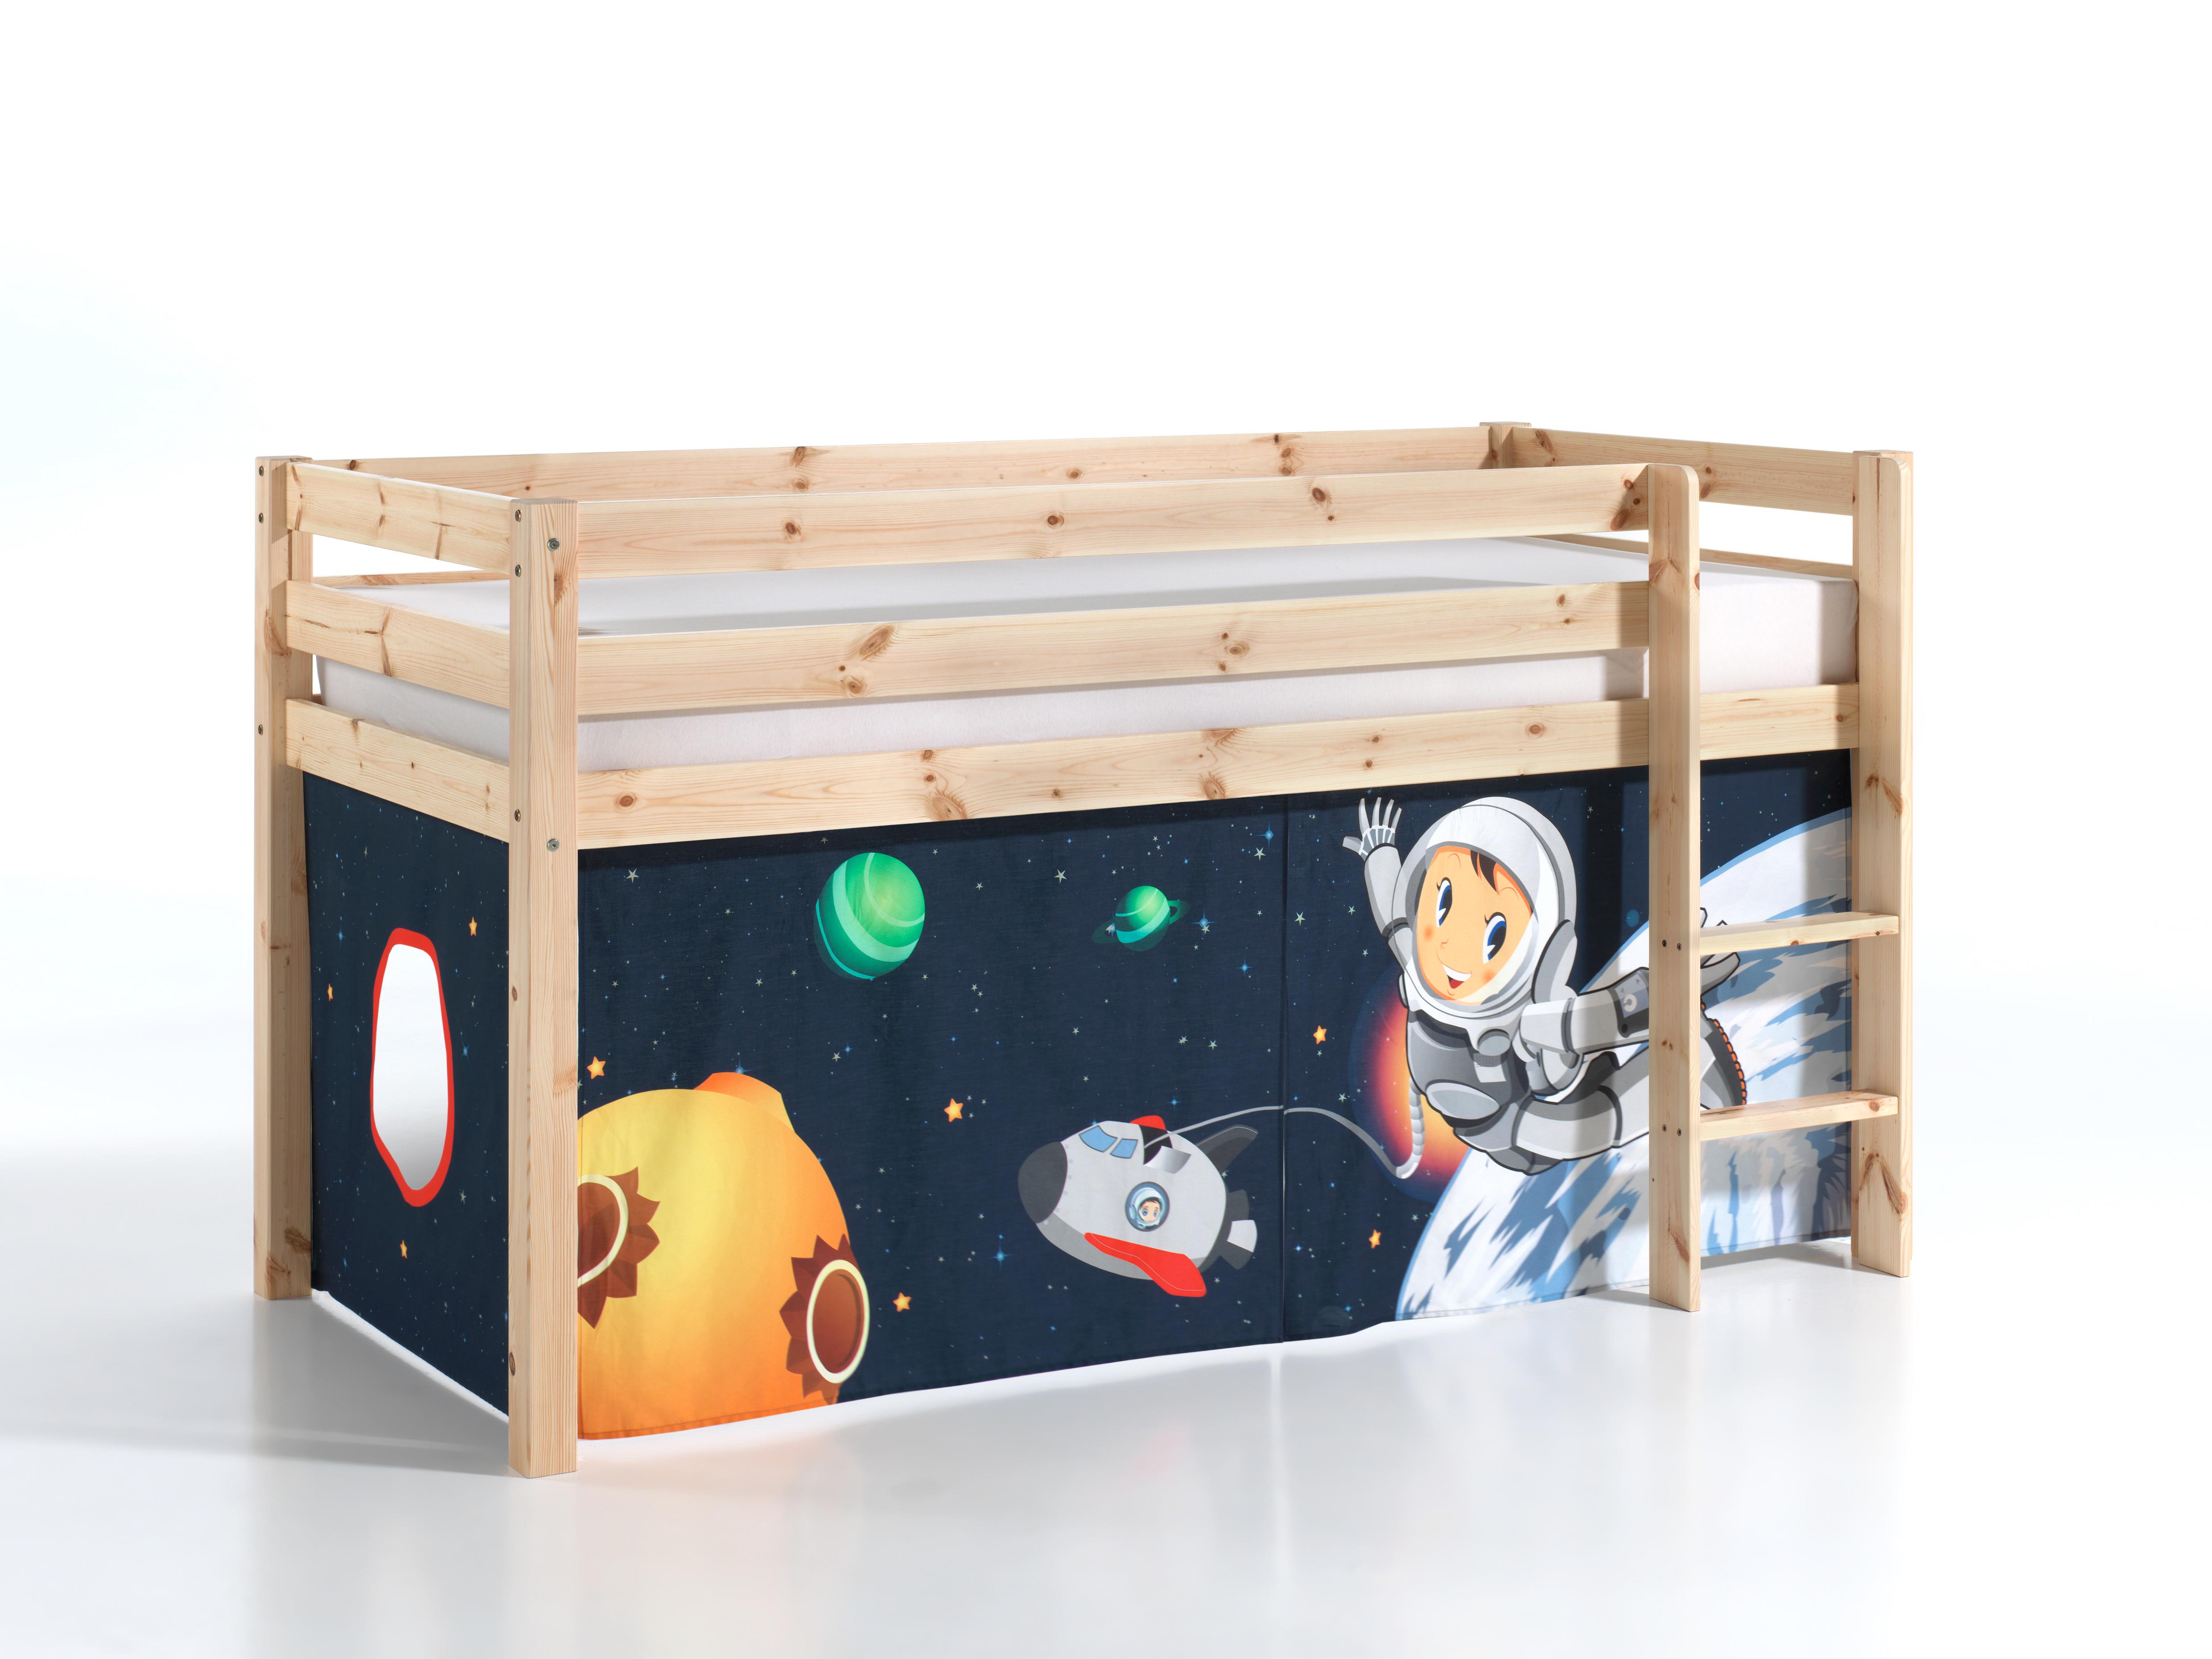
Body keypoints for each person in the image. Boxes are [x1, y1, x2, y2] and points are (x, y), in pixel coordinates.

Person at [1343, 796, 1745, 1173]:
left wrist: (1670, 991)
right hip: (1496, 1121)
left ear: (1536, 950)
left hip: (1519, 1128)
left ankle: (1693, 1067)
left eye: (1494, 936)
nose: (1451, 948)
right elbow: (1394, 919)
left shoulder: (1518, 1019)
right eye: (1443, 904)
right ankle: (1614, 1074)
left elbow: (1599, 1019)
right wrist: (1379, 855)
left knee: (1601, 1122)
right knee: (1572, 1078)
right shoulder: (1416, 967)